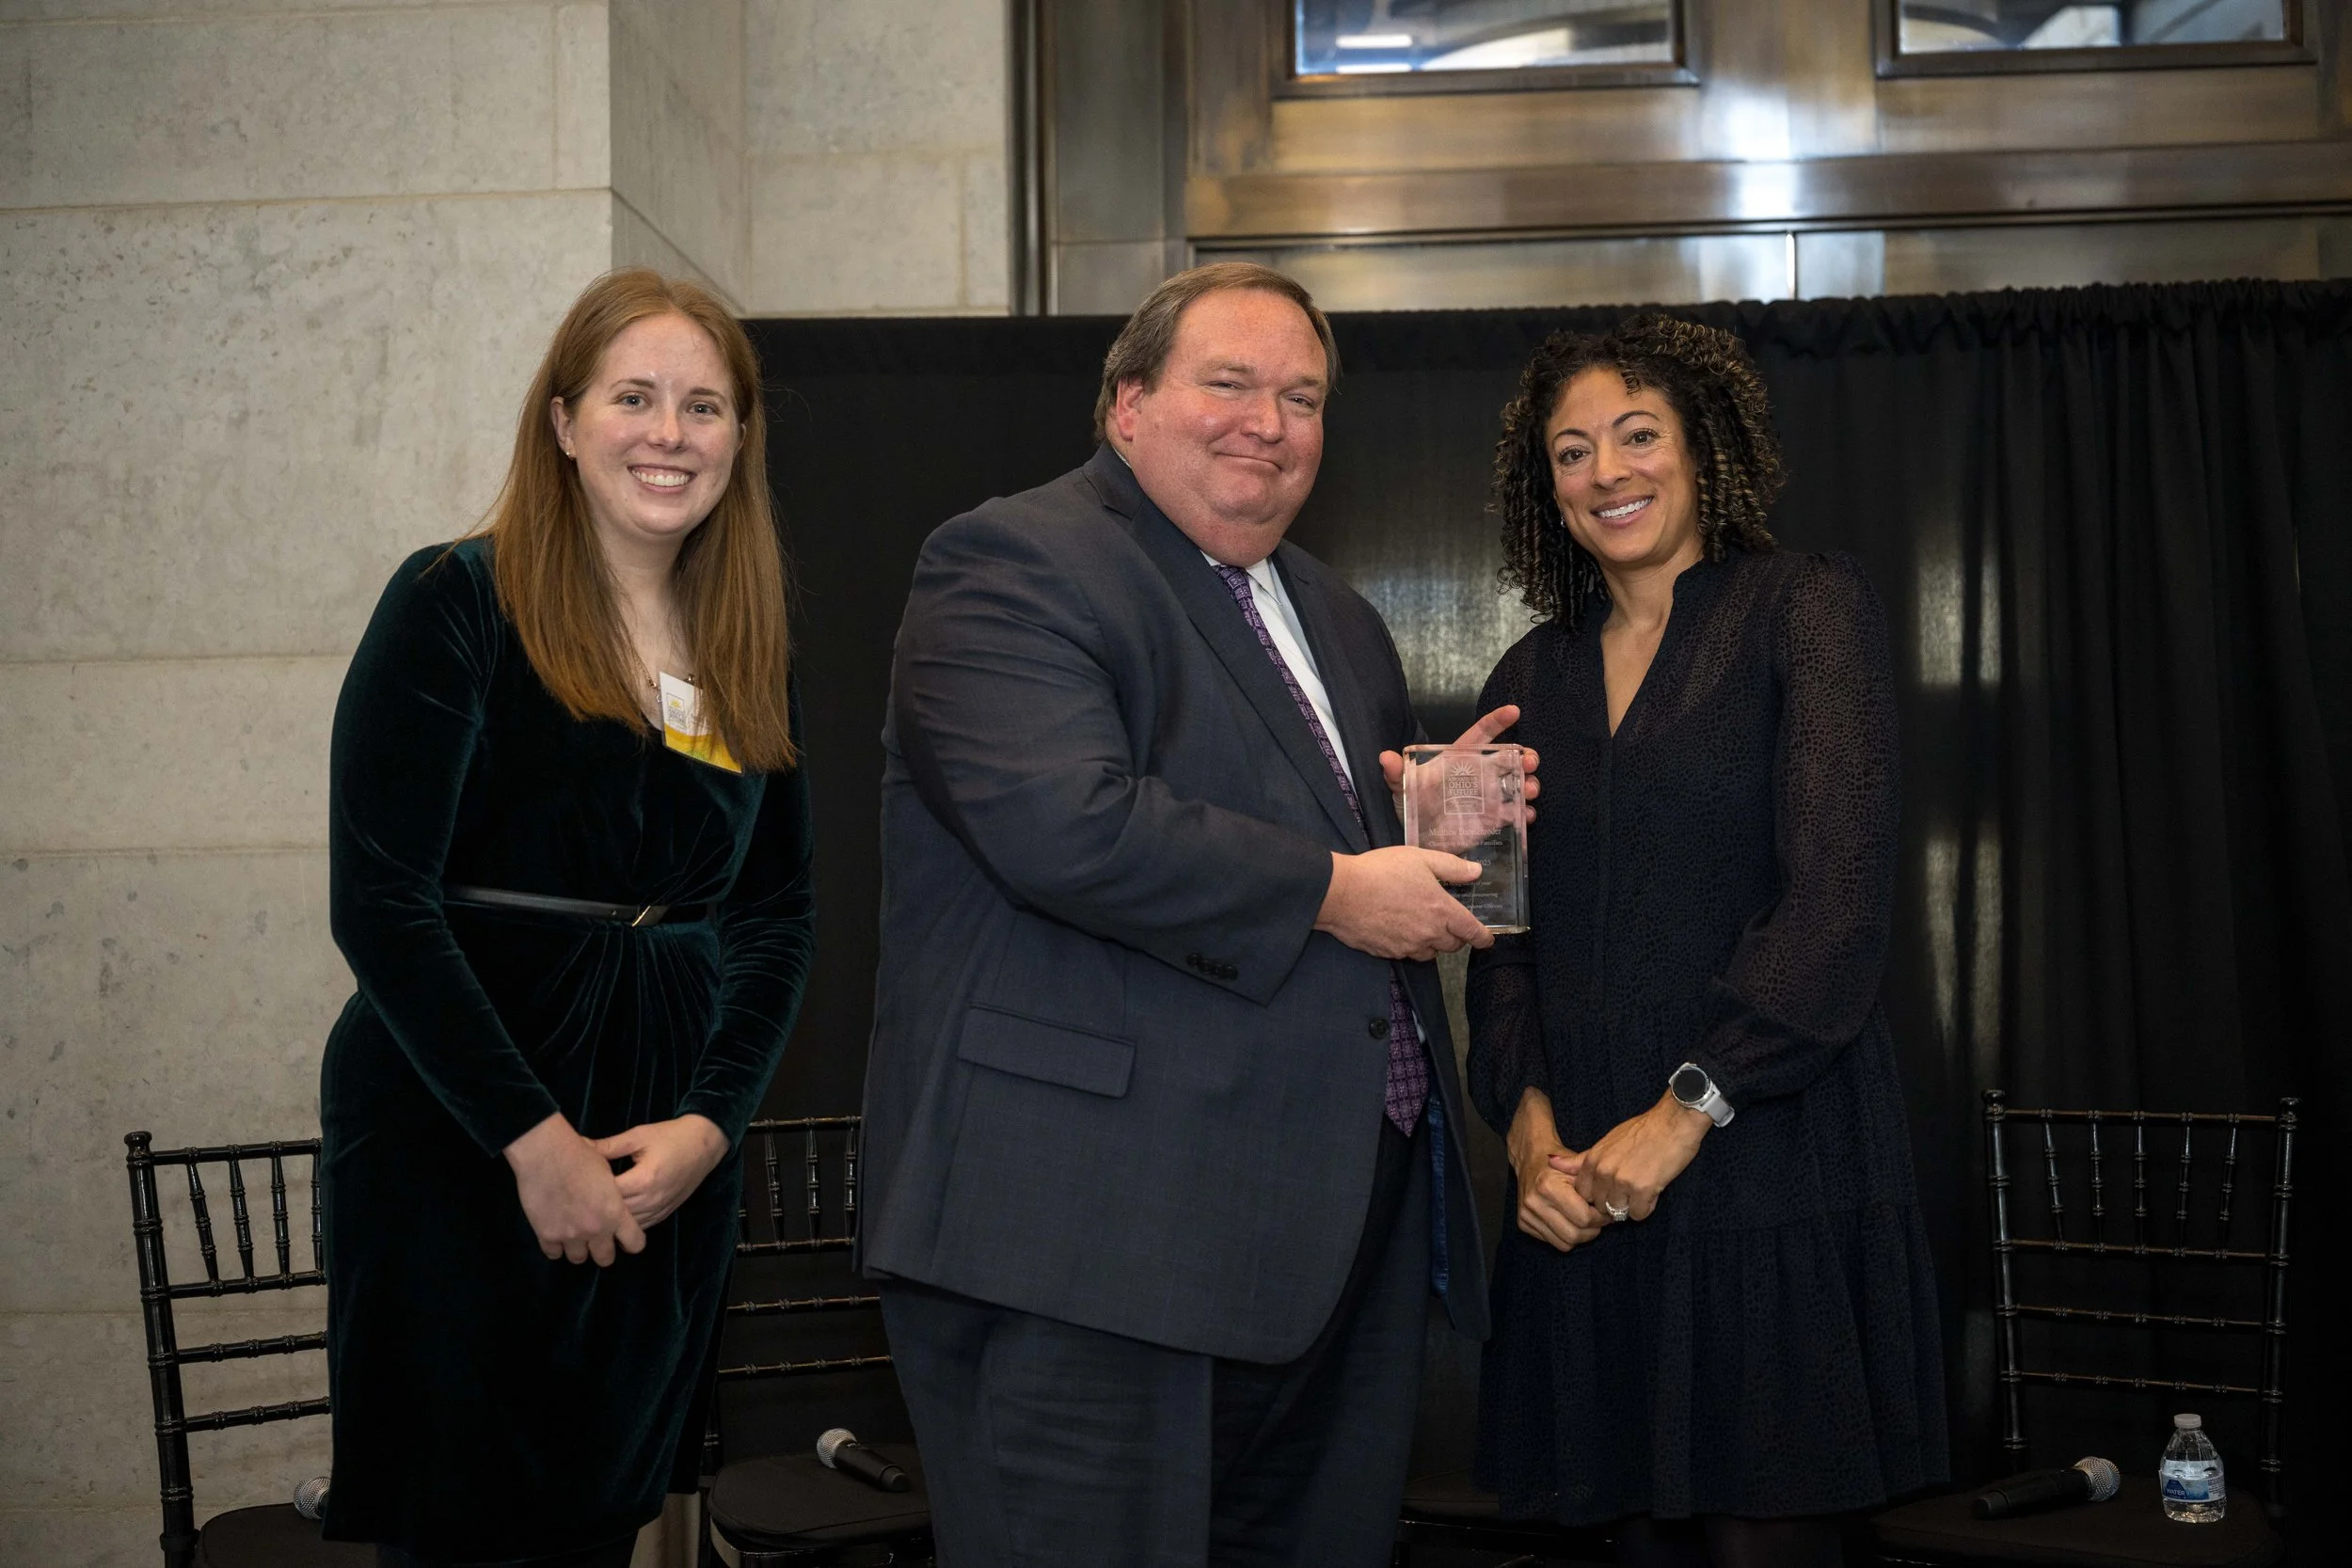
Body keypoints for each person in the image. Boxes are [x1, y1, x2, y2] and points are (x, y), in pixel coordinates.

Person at [859, 261, 1535, 1567]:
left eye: (1301, 397)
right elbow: (1069, 823)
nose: (1268, 423)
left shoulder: (1335, 616)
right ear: (1127, 405)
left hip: (1331, 1245)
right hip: (1092, 1247)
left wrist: (1421, 826)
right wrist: (1342, 889)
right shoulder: (1011, 556)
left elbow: (1295, 827)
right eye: (1228, 383)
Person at [317, 268, 815, 1568]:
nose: (670, 432)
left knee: (601, 1519)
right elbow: (379, 903)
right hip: (461, 1132)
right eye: (634, 397)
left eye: (704, 406)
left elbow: (776, 916)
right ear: (562, 421)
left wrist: (710, 1127)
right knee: (462, 1520)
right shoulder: (455, 603)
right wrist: (534, 1144)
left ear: (741, 441)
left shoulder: (744, 639)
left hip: (664, 1153)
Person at [1466, 315, 1947, 1568]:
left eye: (1639, 436)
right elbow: (1500, 934)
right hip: (1585, 1205)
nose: (1607, 473)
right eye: (1573, 452)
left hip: (1763, 1173)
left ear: (1705, 449)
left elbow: (1836, 910)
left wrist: (1683, 1114)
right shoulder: (1525, 675)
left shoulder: (1805, 609)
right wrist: (1532, 1143)